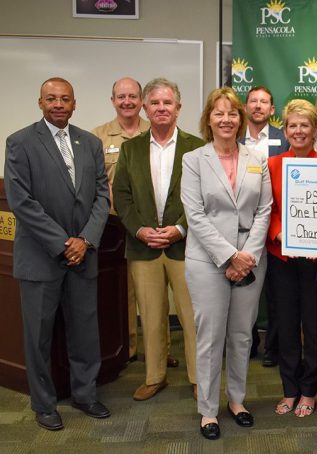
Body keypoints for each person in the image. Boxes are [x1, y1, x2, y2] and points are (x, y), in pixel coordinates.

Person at [4, 77, 111, 430]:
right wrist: (63, 243)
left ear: (75, 103)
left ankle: (85, 394)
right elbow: (22, 202)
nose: (59, 104)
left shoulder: (90, 142)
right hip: (41, 258)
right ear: (40, 103)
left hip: (84, 255)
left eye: (65, 98)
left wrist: (85, 240)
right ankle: (44, 403)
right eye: (51, 98)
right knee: (38, 337)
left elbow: (100, 197)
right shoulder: (19, 142)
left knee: (85, 331)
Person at [181, 87, 272, 440]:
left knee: (240, 336)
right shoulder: (193, 160)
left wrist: (247, 255)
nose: (226, 119)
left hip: (250, 259)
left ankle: (237, 401)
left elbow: (264, 209)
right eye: (219, 113)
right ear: (208, 119)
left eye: (232, 113)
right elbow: (195, 215)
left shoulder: (256, 158)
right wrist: (229, 256)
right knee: (210, 337)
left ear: (241, 118)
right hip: (208, 261)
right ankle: (207, 409)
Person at [112, 78, 203, 401]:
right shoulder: (131, 148)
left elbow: (205, 196)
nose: (161, 108)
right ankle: (155, 376)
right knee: (150, 315)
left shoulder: (197, 147)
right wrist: (139, 229)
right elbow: (121, 196)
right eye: (155, 103)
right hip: (143, 245)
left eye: (168, 103)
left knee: (193, 316)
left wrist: (180, 228)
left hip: (187, 245)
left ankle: (198, 378)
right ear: (145, 108)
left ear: (178, 108)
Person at [91, 77, 166, 365]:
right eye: (121, 97)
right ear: (113, 100)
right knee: (123, 290)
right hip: (112, 225)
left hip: (151, 224)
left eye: (133, 96)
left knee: (156, 291)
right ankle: (129, 347)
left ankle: (161, 351)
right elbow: (95, 182)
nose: (127, 102)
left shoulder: (156, 130)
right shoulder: (97, 137)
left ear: (142, 102)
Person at [267, 99, 317, 418]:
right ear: (285, 130)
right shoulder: (274, 165)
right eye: (292, 125)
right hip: (283, 258)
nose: (299, 130)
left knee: (314, 327)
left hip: (316, 260)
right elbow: (268, 209)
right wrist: (279, 235)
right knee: (287, 326)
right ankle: (290, 389)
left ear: (315, 130)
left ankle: (309, 390)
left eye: (305, 125)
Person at [244, 85, 288, 367]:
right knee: (243, 291)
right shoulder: (233, 137)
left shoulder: (283, 139)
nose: (258, 106)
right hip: (241, 224)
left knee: (275, 292)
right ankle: (247, 343)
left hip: (273, 225)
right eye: (253, 102)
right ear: (246, 107)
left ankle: (274, 347)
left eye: (264, 103)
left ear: (272, 110)